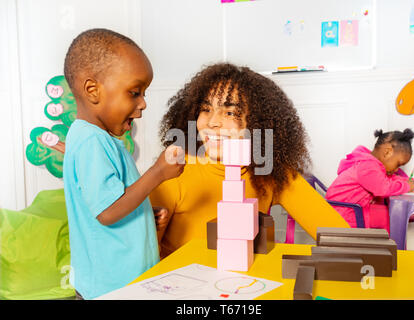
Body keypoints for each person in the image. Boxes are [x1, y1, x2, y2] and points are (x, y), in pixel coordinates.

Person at [149, 62, 350, 258]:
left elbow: (338, 236)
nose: (212, 122)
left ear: (256, 123)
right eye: (206, 109)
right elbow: (143, 256)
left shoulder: (271, 171)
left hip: (244, 284)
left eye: (230, 112)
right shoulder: (174, 170)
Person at [62, 28, 185, 299]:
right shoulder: (91, 142)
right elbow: (107, 211)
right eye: (134, 92)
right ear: (93, 91)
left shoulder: (99, 139)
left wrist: (141, 214)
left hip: (125, 282)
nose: (143, 104)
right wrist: (157, 173)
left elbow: (112, 199)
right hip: (111, 288)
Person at [325, 128, 414, 231]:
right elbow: (383, 188)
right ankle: (391, 248)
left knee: (389, 213)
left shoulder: (371, 164)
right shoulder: (367, 166)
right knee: (391, 216)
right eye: (398, 164)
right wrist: (407, 186)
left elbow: (389, 179)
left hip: (352, 209)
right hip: (342, 213)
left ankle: (390, 247)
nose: (397, 169)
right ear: (387, 152)